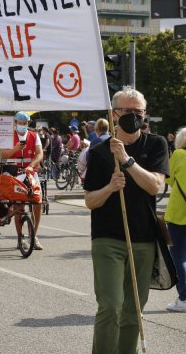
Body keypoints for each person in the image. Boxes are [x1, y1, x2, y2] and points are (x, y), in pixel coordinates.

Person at [84, 87, 169, 353]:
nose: (133, 116)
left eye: (138, 112)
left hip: (143, 239)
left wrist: (127, 161)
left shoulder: (156, 144)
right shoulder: (98, 153)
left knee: (133, 311)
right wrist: (109, 188)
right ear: (114, 114)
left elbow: (155, 186)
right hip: (107, 238)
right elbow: (90, 201)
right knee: (111, 306)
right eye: (127, 111)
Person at [0, 112, 44, 250]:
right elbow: (3, 154)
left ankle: (34, 236)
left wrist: (31, 165)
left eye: (25, 123)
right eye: (19, 123)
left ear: (28, 123)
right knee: (19, 205)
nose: (22, 126)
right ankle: (20, 237)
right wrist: (15, 149)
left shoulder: (33, 135)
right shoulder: (8, 135)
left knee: (38, 201)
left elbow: (40, 153)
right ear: (14, 123)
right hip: (14, 172)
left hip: (30, 172)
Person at [165, 127, 186, 312]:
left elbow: (168, 180)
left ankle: (184, 297)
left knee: (178, 256)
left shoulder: (179, 154)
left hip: (179, 214)